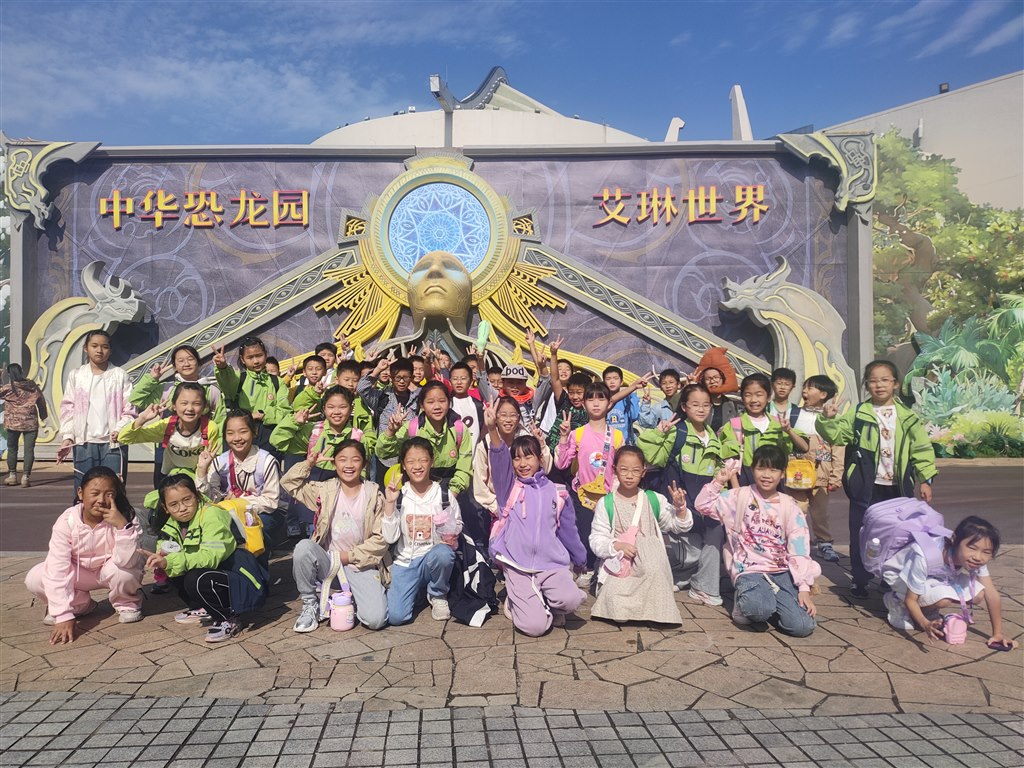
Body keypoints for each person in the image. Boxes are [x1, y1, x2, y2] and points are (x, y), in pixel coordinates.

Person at [817, 360, 937, 598]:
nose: (879, 385)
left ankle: (888, 577)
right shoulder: (859, 413)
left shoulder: (907, 417)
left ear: (895, 384)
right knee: (861, 533)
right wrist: (827, 420)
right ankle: (860, 579)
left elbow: (921, 449)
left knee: (896, 535)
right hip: (866, 485)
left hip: (897, 488)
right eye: (873, 381)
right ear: (867, 385)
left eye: (884, 380)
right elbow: (838, 436)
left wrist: (925, 479)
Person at [695, 446, 821, 636]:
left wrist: (803, 588)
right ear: (752, 469)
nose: (766, 475)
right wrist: (719, 481)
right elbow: (702, 505)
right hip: (749, 570)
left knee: (803, 626)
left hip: (782, 572)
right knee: (759, 609)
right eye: (761, 468)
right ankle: (748, 601)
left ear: (782, 473)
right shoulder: (740, 496)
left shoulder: (789, 506)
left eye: (773, 470)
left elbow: (800, 549)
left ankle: (770, 604)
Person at [486, 406, 587, 635]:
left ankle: (545, 600)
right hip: (518, 565)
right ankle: (518, 601)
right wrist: (492, 429)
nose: (522, 463)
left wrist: (580, 559)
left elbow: (569, 532)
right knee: (535, 627)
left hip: (551, 565)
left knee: (572, 600)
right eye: (517, 458)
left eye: (528, 456)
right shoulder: (508, 488)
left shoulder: (558, 492)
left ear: (540, 459)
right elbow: (499, 460)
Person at [139, 474, 268, 642]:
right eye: (174, 504)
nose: (182, 508)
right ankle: (203, 607)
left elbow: (211, 556)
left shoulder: (212, 514)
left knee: (194, 578)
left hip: (238, 575)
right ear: (165, 508)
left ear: (197, 496)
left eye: (187, 500)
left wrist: (170, 561)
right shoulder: (170, 524)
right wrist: (161, 558)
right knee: (172, 570)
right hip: (214, 573)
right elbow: (169, 554)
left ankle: (228, 617)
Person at [24, 467, 144, 644]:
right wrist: (63, 614)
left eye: (109, 494)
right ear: (81, 493)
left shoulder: (127, 517)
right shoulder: (67, 521)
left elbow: (130, 561)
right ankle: (79, 605)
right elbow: (58, 566)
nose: (101, 500)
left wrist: (122, 527)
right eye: (94, 493)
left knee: (125, 571)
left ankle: (126, 602)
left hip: (110, 570)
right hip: (79, 574)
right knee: (36, 577)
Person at [282, 440, 390, 632]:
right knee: (303, 548)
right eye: (342, 459)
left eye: (355, 459)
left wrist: (348, 556)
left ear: (364, 464)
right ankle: (310, 603)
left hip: (360, 564)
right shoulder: (325, 490)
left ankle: (352, 596)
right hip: (329, 562)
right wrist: (309, 464)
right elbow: (288, 483)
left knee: (375, 620)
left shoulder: (374, 494)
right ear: (334, 464)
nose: (349, 465)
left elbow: (380, 539)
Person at [637, 383, 726, 604]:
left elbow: (717, 468)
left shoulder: (713, 436)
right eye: (695, 404)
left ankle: (703, 587)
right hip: (679, 498)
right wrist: (659, 433)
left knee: (715, 533)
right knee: (690, 553)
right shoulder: (677, 431)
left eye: (706, 405)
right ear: (684, 407)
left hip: (704, 500)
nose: (701, 409)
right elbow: (650, 455)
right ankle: (677, 575)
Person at [589, 446, 692, 625]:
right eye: (624, 469)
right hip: (622, 566)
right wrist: (616, 546)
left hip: (652, 566)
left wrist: (680, 508)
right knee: (616, 608)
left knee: (653, 573)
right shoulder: (606, 503)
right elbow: (597, 538)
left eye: (635, 470)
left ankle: (654, 612)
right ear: (614, 470)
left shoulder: (654, 499)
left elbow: (677, 525)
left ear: (643, 472)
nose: (629, 475)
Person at [882, 516, 1015, 649]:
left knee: (978, 594)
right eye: (972, 548)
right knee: (943, 599)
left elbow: (991, 593)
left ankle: (924, 609)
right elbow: (911, 599)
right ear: (954, 539)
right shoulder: (925, 554)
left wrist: (998, 633)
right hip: (900, 576)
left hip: (936, 577)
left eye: (986, 552)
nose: (978, 557)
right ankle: (896, 601)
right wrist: (924, 624)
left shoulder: (976, 559)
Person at [381, 438, 463, 624]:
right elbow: (390, 537)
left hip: (432, 558)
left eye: (423, 460)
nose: (417, 466)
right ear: (403, 465)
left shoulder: (443, 494)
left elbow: (458, 523)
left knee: (443, 554)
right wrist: (390, 503)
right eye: (410, 461)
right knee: (396, 617)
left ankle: (438, 593)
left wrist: (451, 532)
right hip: (405, 562)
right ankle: (418, 591)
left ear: (431, 462)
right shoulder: (400, 496)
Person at [555, 381, 625, 583]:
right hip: (581, 495)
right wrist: (563, 437)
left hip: (607, 496)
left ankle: (601, 569)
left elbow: (621, 467)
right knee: (583, 532)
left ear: (609, 403)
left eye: (601, 398)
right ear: (584, 404)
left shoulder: (617, 436)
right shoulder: (577, 434)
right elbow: (561, 463)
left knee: (604, 534)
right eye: (591, 399)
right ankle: (584, 568)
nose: (595, 403)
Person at [129, 344, 223, 487]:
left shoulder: (211, 390)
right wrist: (152, 379)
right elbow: (136, 399)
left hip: (199, 449)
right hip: (168, 447)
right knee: (163, 487)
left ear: (198, 362)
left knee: (199, 488)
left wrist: (217, 452)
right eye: (181, 360)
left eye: (190, 359)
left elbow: (220, 420)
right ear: (175, 366)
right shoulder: (167, 389)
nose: (186, 363)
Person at [57, 329, 135, 492]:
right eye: (94, 346)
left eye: (105, 347)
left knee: (113, 489)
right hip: (83, 443)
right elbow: (68, 407)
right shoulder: (77, 375)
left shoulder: (120, 375)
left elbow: (130, 409)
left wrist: (119, 429)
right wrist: (68, 436)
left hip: (113, 443)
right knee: (85, 488)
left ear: (110, 350)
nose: (99, 350)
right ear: (86, 348)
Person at [472, 395, 552, 545]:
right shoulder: (485, 445)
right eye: (503, 415)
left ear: (519, 418)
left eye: (513, 415)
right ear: (495, 417)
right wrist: (501, 509)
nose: (508, 420)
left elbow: (546, 468)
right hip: (499, 510)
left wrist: (541, 444)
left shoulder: (527, 440)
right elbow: (480, 488)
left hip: (529, 506)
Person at [196, 409, 285, 544]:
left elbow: (271, 502)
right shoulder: (219, 462)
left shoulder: (266, 461)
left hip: (264, 512)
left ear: (254, 432)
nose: (237, 438)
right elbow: (210, 498)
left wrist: (238, 503)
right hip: (229, 510)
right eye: (230, 433)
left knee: (251, 527)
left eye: (243, 432)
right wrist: (202, 470)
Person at [376, 381, 474, 495]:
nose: (437, 407)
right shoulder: (411, 428)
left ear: (449, 402)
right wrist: (391, 431)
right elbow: (383, 453)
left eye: (442, 401)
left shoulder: (459, 429)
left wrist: (451, 495)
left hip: (450, 491)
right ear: (422, 405)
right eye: (430, 402)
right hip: (416, 493)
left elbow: (464, 467)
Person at [719, 373, 809, 486]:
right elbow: (729, 463)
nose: (753, 400)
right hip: (745, 482)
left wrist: (789, 431)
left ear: (768, 397)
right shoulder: (735, 425)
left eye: (759, 395)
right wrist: (737, 492)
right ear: (742, 397)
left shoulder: (779, 424)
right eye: (748, 395)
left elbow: (804, 447)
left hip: (775, 484)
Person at [790, 375, 844, 563]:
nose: (804, 391)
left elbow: (839, 447)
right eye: (804, 387)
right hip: (797, 472)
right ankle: (796, 543)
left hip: (822, 474)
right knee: (797, 509)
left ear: (823, 394)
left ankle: (824, 543)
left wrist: (836, 476)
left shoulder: (834, 418)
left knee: (820, 512)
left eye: (810, 388)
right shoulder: (795, 414)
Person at [212, 336, 290, 455]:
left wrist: (263, 415)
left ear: (265, 355)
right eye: (250, 357)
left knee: (267, 464)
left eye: (259, 355)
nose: (256, 361)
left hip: (269, 434)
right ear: (242, 359)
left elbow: (285, 412)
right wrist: (222, 367)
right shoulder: (239, 379)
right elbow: (227, 381)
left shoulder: (277, 382)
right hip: (240, 432)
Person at [358, 357, 419, 481]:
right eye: (397, 377)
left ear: (412, 378)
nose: (401, 381)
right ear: (391, 377)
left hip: (410, 457)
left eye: (405, 378)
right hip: (385, 457)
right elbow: (361, 389)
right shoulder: (382, 397)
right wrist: (378, 369)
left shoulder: (417, 399)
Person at [1, 363, 48, 488]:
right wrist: (43, 415)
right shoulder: (32, 386)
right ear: (21, 371)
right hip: (30, 423)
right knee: (29, 450)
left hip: (13, 424)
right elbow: (41, 401)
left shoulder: (8, 388)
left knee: (12, 449)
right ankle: (25, 478)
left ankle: (12, 476)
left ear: (9, 374)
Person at [692, 347, 741, 432]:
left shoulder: (732, 404)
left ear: (722, 379)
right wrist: (689, 387)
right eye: (708, 379)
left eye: (716, 377)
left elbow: (736, 428)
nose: (712, 381)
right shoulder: (697, 401)